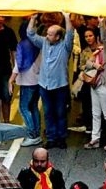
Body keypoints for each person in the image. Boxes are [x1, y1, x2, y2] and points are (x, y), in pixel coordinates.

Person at [27, 12, 75, 149]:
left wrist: (66, 17)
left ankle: (61, 138)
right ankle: (51, 138)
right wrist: (33, 18)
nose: (46, 36)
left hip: (60, 85)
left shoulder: (65, 46)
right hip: (44, 85)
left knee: (60, 113)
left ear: (58, 36)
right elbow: (30, 34)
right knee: (48, 113)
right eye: (47, 33)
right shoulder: (44, 43)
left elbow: (70, 34)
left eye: (50, 34)